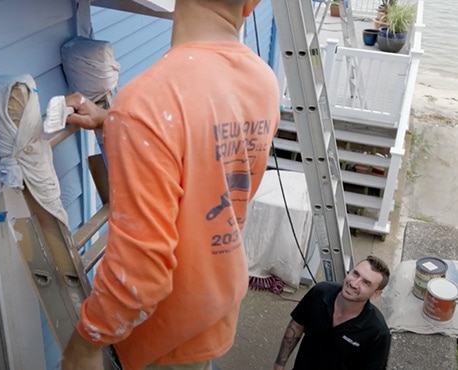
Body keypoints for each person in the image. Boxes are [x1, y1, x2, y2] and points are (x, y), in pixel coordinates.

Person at [61, 0, 280, 369]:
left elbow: (140, 274)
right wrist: (115, 123)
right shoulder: (262, 80)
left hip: (161, 339)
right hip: (214, 310)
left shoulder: (149, 101)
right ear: (252, 5)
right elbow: (203, 149)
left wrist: (85, 344)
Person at [274, 255, 391, 370]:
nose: (354, 284)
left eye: (366, 283)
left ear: (376, 294)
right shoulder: (320, 293)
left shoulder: (377, 332)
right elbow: (297, 325)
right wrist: (279, 365)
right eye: (355, 274)